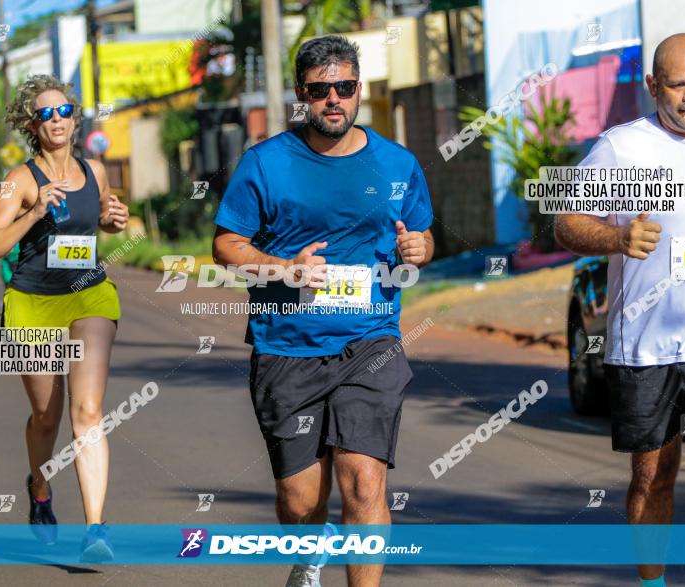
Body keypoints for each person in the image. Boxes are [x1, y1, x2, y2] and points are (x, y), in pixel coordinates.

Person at [213, 36, 434, 587]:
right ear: (301, 94)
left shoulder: (397, 163)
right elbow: (226, 246)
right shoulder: (266, 163)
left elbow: (422, 234)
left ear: (358, 89)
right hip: (287, 347)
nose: (333, 99)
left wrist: (419, 250)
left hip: (371, 343)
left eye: (344, 87)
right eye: (319, 89)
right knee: (298, 499)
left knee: (364, 483)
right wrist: (284, 268)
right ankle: (308, 554)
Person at [555, 33, 685, 587]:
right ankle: (652, 581)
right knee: (653, 480)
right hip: (646, 342)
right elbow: (565, 224)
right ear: (653, 85)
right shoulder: (622, 148)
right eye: (677, 84)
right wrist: (617, 237)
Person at [0, 74, 128, 562]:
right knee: (47, 416)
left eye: (63, 111)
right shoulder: (19, 181)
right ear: (30, 124)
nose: (56, 119)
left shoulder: (96, 170)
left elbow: (99, 216)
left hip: (88, 295)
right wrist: (34, 211)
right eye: (45, 113)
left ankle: (96, 530)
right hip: (33, 302)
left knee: (88, 412)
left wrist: (113, 220)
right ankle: (39, 489)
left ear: (75, 118)